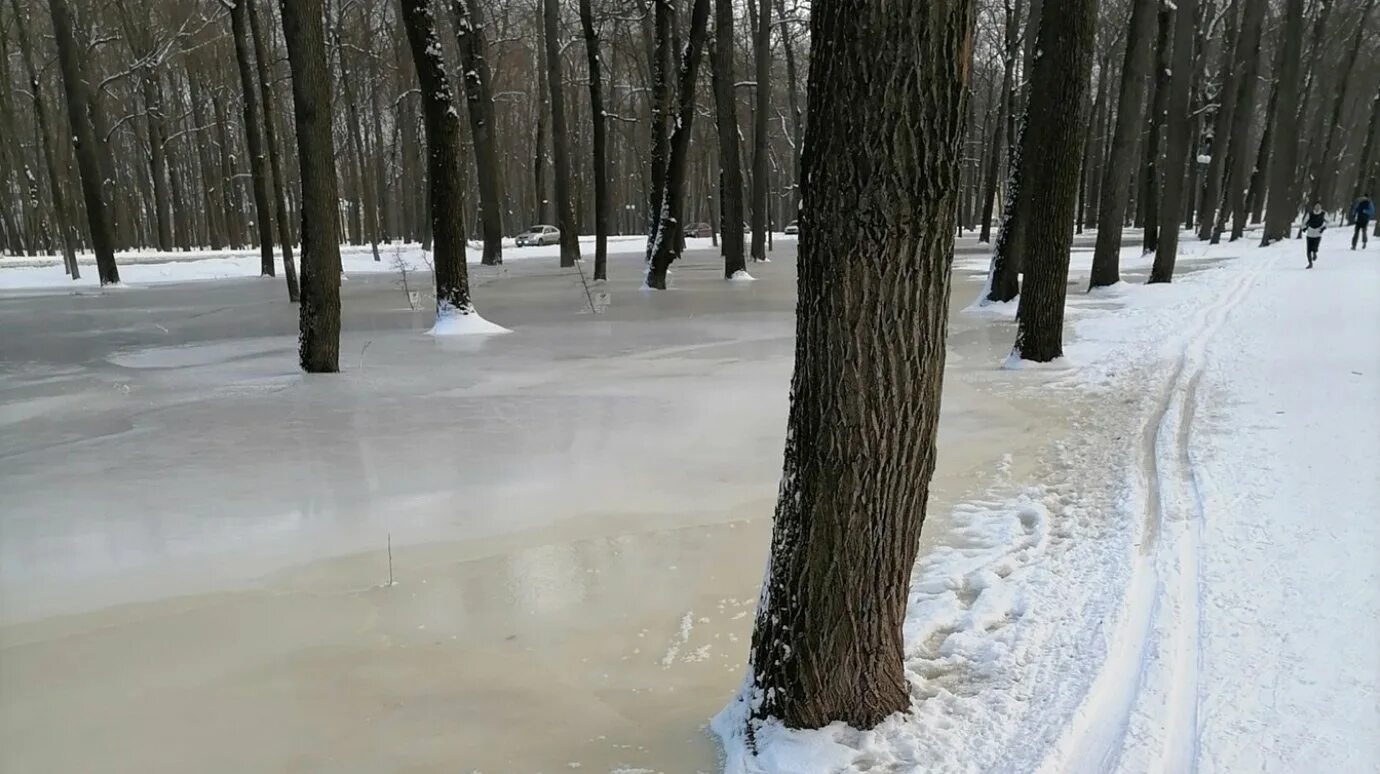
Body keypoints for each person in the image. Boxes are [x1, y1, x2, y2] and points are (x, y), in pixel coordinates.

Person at [1304, 203, 1326, 268]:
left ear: (1320, 208)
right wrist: (1304, 228)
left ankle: (1314, 253)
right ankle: (1310, 263)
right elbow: (1304, 221)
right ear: (1314, 207)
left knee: (1315, 248)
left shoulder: (1323, 214)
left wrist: (1323, 228)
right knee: (1308, 250)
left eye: (1318, 207)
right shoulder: (1310, 214)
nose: (1317, 208)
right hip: (1310, 233)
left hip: (1318, 233)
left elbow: (1328, 221)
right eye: (1316, 207)